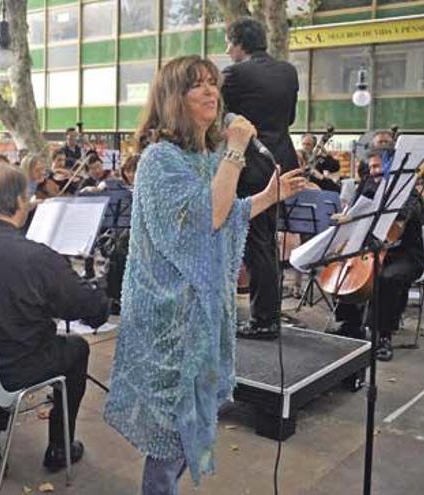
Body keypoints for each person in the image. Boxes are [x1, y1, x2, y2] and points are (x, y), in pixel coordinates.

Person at [103, 56, 305, 493]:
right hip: (168, 320)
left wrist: (269, 197)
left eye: (214, 83)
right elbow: (208, 217)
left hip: (200, 312)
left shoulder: (206, 155)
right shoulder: (160, 159)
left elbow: (224, 213)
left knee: (185, 426)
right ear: (175, 98)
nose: (212, 92)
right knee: (171, 433)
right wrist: (234, 149)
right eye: (198, 86)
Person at [0, 164, 109, 472]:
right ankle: (59, 448)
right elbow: (84, 307)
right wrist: (99, 288)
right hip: (11, 366)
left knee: (14, 331)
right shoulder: (36, 257)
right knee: (76, 349)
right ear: (20, 202)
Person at [221, 17, 299, 339]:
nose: (227, 49)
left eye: (228, 42)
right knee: (265, 240)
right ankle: (266, 313)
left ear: (238, 43)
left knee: (257, 243)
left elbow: (220, 120)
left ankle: (265, 320)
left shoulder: (235, 74)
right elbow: (290, 118)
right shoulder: (289, 71)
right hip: (281, 160)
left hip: (249, 163)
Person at [333, 149, 424, 361]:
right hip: (371, 251)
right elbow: (353, 215)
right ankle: (350, 325)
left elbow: (397, 228)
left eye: (379, 167)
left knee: (386, 278)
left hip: (405, 254)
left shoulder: (407, 192)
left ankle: (382, 336)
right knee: (342, 269)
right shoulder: (366, 187)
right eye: (372, 167)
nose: (375, 172)